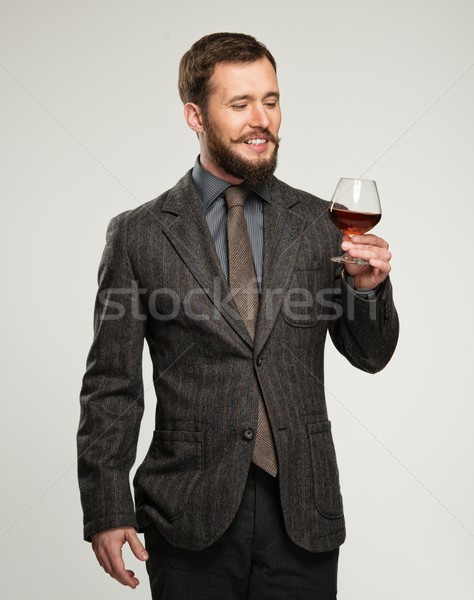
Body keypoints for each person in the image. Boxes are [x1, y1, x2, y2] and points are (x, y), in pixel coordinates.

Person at [77, 32, 399, 599]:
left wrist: (369, 291)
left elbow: (370, 355)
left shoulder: (320, 223)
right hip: (187, 514)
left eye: (271, 101)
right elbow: (111, 385)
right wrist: (106, 505)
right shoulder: (139, 234)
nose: (262, 120)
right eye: (240, 104)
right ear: (195, 116)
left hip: (302, 511)